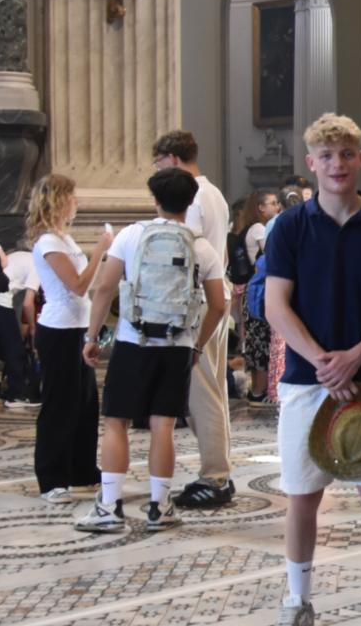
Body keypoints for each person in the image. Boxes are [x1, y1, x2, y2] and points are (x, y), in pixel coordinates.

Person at [261, 114, 361, 626]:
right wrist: (324, 361)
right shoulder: (289, 226)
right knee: (302, 494)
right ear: (311, 164)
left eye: (347, 153)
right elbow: (274, 304)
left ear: (360, 159)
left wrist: (354, 357)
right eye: (327, 156)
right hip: (307, 380)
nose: (337, 164)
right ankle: (297, 600)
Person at [78, 169, 228, 533]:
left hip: (133, 341)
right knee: (163, 426)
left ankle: (109, 507)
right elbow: (219, 305)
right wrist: (197, 343)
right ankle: (159, 507)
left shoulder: (131, 235)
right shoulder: (201, 246)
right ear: (190, 202)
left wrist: (93, 336)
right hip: (177, 345)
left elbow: (104, 288)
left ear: (155, 200)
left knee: (116, 422)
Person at [152, 131, 235, 509]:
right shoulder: (213, 192)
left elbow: (187, 252)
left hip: (199, 300)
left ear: (171, 158)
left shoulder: (194, 195)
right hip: (215, 294)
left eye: (158, 162)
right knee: (211, 390)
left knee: (201, 393)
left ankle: (214, 475)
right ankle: (219, 470)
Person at [25, 174, 108, 504]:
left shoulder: (65, 239)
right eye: (73, 197)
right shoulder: (47, 242)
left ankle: (82, 470)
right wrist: (100, 251)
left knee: (85, 404)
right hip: (58, 331)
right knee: (59, 405)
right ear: (59, 199)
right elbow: (76, 285)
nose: (77, 202)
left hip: (78, 328)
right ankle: (51, 478)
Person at [0, 235, 36, 409]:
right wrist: (33, 326)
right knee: (15, 349)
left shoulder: (17, 255)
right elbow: (28, 302)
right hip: (0, 301)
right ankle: (15, 394)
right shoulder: (37, 263)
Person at [235, 191, 281, 404]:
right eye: (272, 203)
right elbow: (274, 254)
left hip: (250, 291)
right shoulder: (260, 229)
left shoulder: (245, 228)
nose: (277, 206)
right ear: (260, 208)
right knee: (262, 343)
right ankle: (261, 390)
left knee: (255, 343)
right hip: (262, 290)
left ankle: (256, 390)